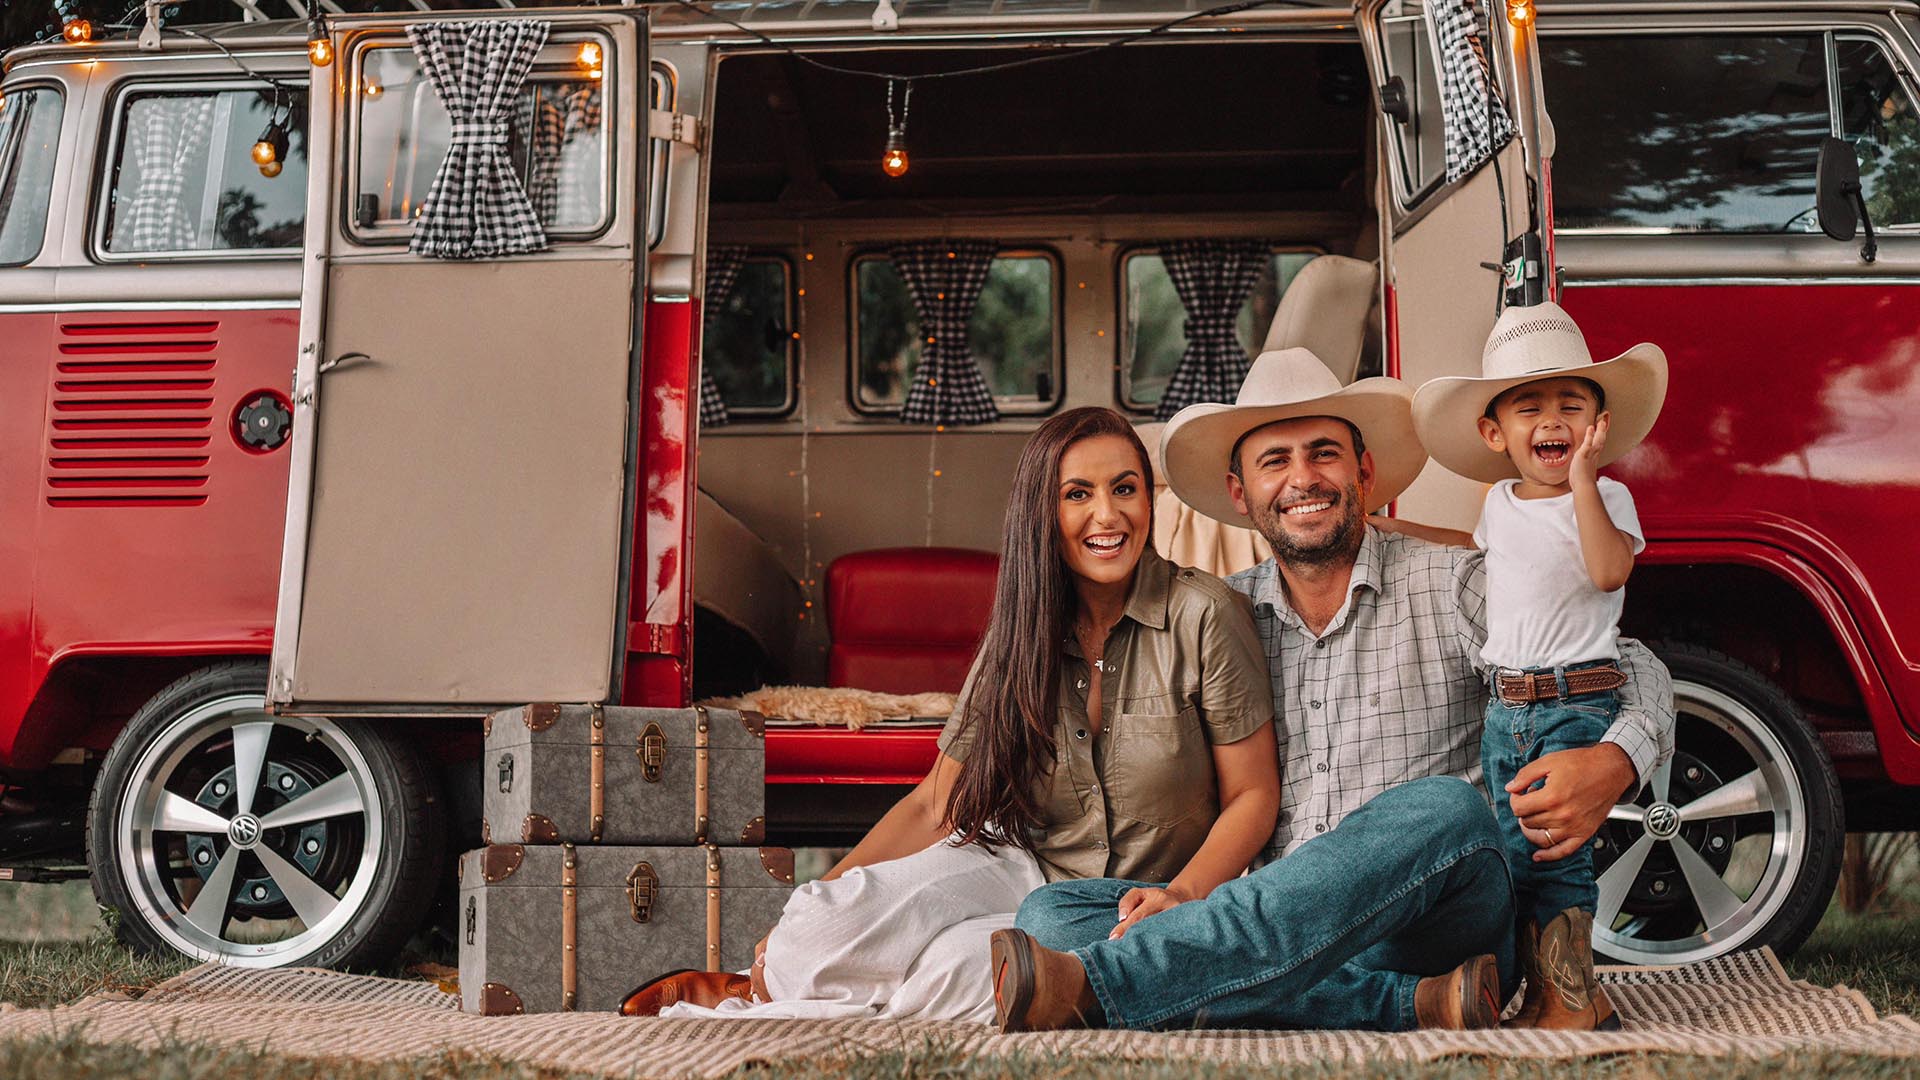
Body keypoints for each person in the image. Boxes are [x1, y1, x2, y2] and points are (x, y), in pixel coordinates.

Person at [990, 347, 1674, 1034]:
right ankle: (1417, 1005)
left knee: (1444, 808)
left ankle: (1125, 984)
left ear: (1364, 472)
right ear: (1239, 493)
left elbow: (1629, 659)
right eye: (1275, 462)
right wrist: (1177, 891)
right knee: (1052, 917)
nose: (1302, 479)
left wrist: (1615, 759)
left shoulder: (1450, 583)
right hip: (1281, 926)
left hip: (1433, 919)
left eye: (1323, 454)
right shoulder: (1220, 614)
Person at [621, 406, 1280, 1022]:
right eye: (1077, 493)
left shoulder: (1205, 614)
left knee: (956, 980)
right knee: (817, 924)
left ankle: (773, 1008)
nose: (1107, 515)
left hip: (1126, 899)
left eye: (1126, 489)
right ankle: (758, 981)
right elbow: (935, 800)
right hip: (1019, 858)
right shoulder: (1021, 628)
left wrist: (1184, 896)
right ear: (1042, 511)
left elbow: (1252, 794)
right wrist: (820, 908)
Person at [1408, 301, 1668, 1030]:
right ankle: (1553, 993)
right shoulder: (1500, 501)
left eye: (1570, 406)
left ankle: (1575, 1001)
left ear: (1597, 427)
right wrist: (1392, 528)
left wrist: (1584, 481)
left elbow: (1610, 569)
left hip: (1571, 702)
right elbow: (1481, 550)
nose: (1551, 420)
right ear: (1496, 433)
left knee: (1558, 850)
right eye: (1530, 407)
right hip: (1506, 709)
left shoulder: (1607, 497)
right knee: (1517, 853)